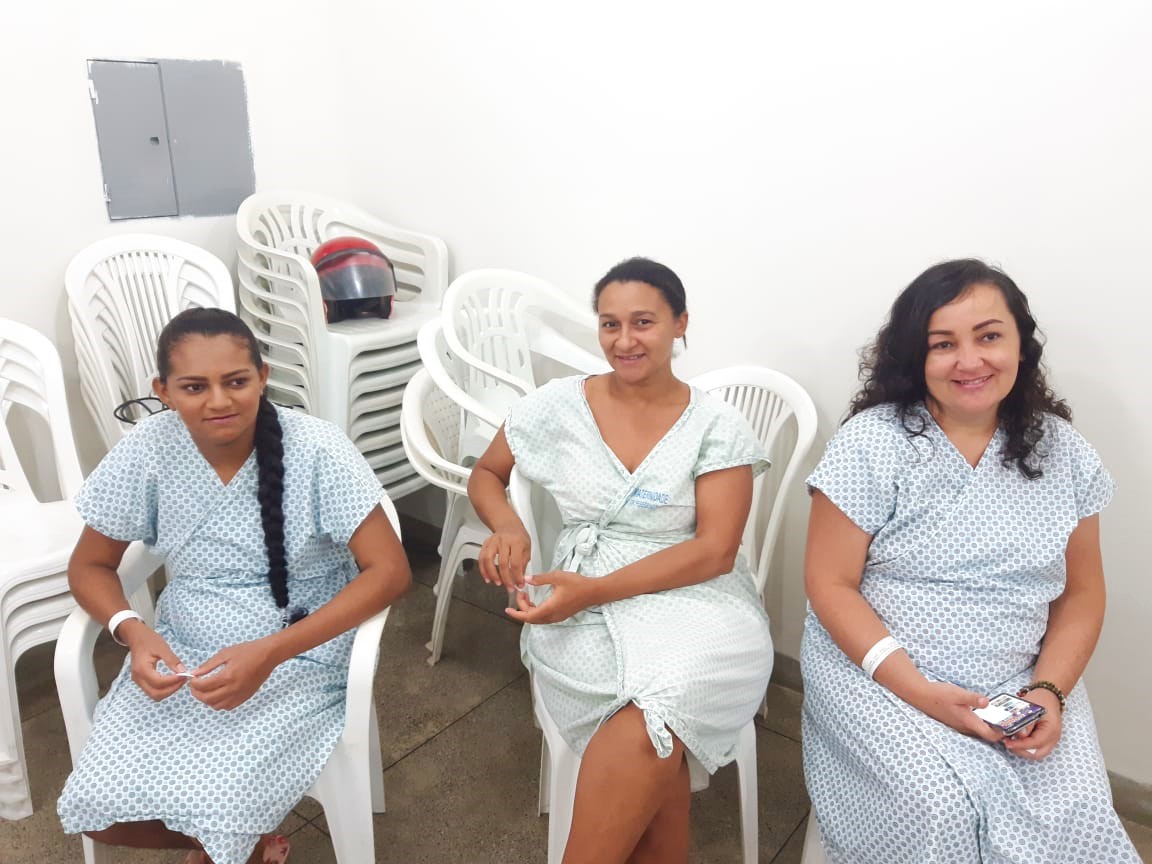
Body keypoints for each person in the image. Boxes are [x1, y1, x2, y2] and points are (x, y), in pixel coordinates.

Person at [801, 259, 1139, 862]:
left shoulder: (1063, 452)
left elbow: (1082, 592)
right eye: (943, 344)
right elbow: (829, 583)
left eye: (988, 336)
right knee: (939, 807)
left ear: (1020, 346)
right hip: (879, 672)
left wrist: (1049, 692)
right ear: (916, 356)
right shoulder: (872, 444)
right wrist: (920, 690)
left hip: (1019, 677)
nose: (969, 360)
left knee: (1076, 808)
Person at [57, 308, 411, 864]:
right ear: (163, 390)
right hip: (184, 647)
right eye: (194, 387)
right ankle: (240, 843)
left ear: (263, 377)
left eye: (236, 381)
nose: (218, 401)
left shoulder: (316, 448)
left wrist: (270, 653)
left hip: (301, 647)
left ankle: (231, 843)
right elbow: (89, 565)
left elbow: (390, 571)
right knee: (99, 807)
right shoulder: (149, 449)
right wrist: (134, 631)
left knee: (220, 798)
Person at [467, 257, 773, 864]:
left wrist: (595, 590)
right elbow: (486, 473)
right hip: (579, 600)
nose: (624, 340)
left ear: (680, 324)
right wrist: (507, 526)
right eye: (610, 324)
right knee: (654, 735)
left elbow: (714, 551)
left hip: (697, 599)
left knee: (659, 708)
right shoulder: (558, 404)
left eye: (643, 322)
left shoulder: (716, 426)